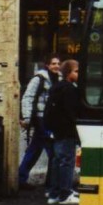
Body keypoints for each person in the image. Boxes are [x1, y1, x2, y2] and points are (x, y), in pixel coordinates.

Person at [19, 56, 60, 189]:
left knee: (35, 149)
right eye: (53, 63)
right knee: (52, 151)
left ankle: (21, 178)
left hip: (51, 118)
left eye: (58, 63)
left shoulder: (59, 79)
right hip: (41, 118)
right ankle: (52, 182)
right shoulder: (38, 79)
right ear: (47, 65)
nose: (56, 66)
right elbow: (28, 97)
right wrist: (26, 118)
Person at [44, 59, 81, 205]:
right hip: (67, 130)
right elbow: (71, 112)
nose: (78, 74)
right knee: (66, 161)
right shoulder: (70, 89)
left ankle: (54, 193)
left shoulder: (56, 87)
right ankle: (65, 193)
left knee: (56, 161)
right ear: (68, 73)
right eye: (76, 71)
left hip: (56, 130)